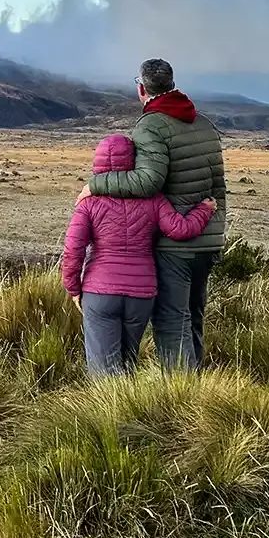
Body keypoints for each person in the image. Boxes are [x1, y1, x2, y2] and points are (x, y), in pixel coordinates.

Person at [78, 58, 226, 371]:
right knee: (193, 317)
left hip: (176, 243)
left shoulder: (151, 126)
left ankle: (179, 400)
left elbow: (148, 181)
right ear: (172, 84)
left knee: (173, 321)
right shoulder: (203, 124)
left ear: (141, 88)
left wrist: (96, 184)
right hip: (208, 238)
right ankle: (198, 393)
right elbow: (218, 187)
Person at [64, 134, 216, 375]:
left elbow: (73, 248)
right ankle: (134, 406)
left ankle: (109, 411)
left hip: (99, 291)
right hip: (141, 294)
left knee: (104, 370)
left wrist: (73, 288)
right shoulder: (154, 200)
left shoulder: (89, 203)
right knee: (128, 361)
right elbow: (180, 229)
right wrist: (204, 211)